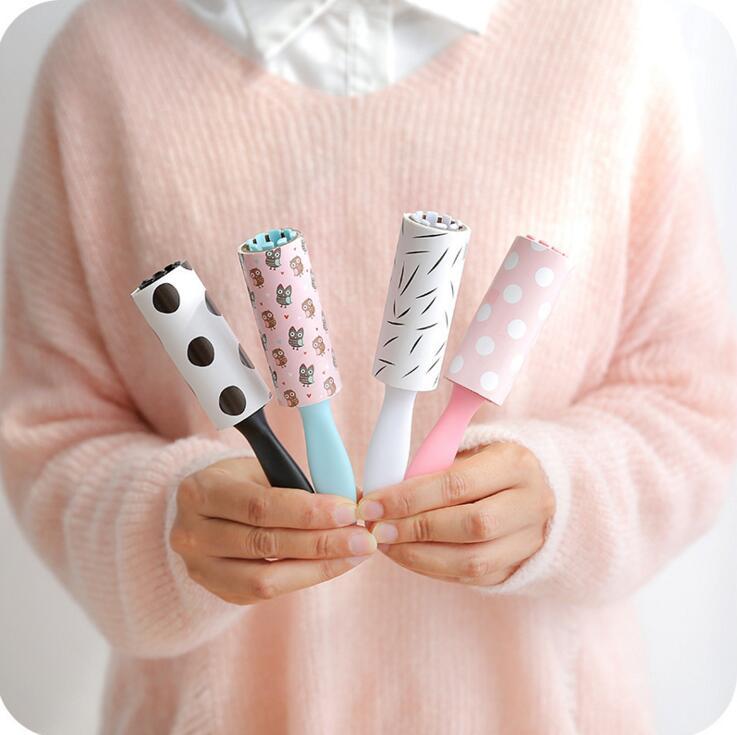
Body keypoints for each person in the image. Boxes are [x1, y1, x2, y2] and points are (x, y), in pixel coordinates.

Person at [2, 0, 736, 732]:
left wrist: (560, 496)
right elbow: (44, 428)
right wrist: (167, 524)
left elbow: (695, 405)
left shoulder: (611, 34)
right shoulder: (102, 57)